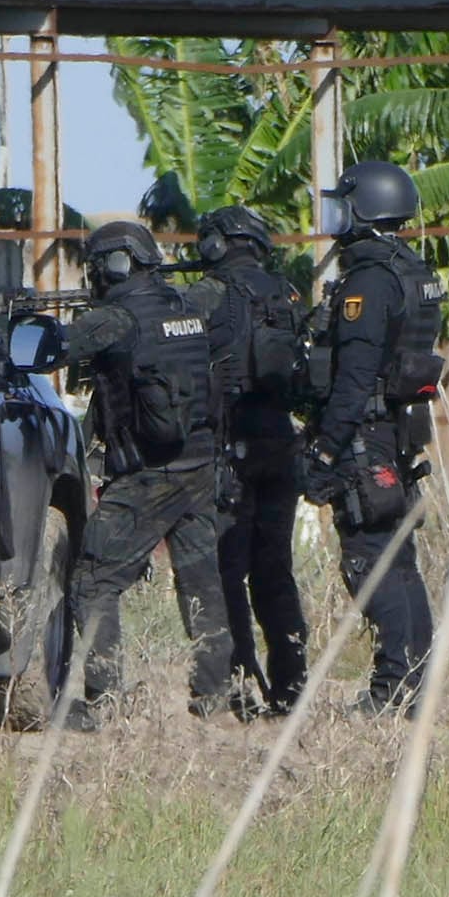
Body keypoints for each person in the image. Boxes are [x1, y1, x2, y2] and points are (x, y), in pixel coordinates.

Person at [59, 219, 234, 727]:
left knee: (93, 579)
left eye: (96, 268)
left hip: (148, 474)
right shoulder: (188, 307)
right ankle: (214, 698)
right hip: (200, 465)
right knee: (201, 582)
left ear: (115, 264)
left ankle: (103, 703)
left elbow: (56, 347)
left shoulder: (117, 318)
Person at [303, 161, 445, 717]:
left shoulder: (369, 280)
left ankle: (392, 690)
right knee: (399, 561)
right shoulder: (413, 271)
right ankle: (414, 686)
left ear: (366, 208)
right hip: (397, 430)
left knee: (369, 559)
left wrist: (325, 449)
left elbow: (355, 376)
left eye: (343, 205)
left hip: (365, 437)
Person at [186, 205, 309, 716]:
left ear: (217, 244)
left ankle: (236, 686)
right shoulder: (285, 294)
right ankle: (291, 684)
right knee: (274, 569)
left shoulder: (206, 295)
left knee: (225, 571)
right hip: (281, 442)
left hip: (229, 446)